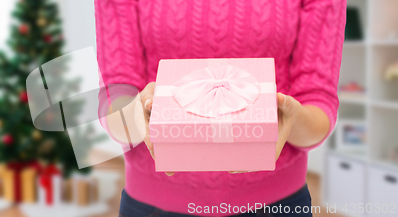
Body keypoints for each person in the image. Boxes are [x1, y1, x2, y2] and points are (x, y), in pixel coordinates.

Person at [95, 0, 346, 216]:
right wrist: (136, 114)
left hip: (278, 203)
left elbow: (318, 102)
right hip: (153, 205)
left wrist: (291, 116)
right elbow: (114, 99)